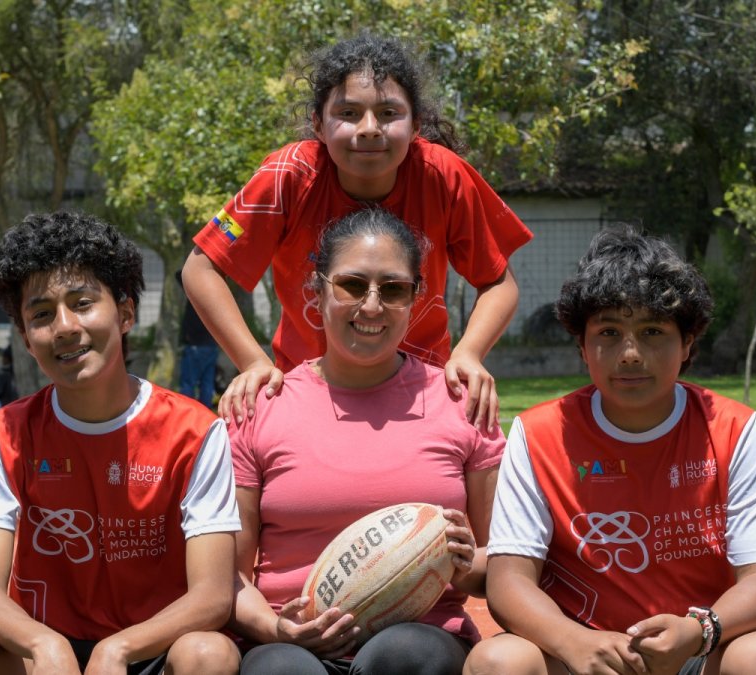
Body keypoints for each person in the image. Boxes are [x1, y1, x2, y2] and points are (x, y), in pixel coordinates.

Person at [463, 226, 756, 675]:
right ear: (582, 346)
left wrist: (699, 630)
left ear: (688, 343)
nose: (629, 353)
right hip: (580, 652)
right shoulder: (539, 434)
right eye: (608, 331)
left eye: (652, 331)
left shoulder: (735, 430)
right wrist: (575, 642)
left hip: (697, 648)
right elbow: (508, 582)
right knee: (497, 662)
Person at [0, 211, 242, 675]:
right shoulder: (5, 433)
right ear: (26, 339)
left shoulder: (195, 432)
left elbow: (212, 596)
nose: (65, 326)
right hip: (48, 654)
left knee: (210, 654)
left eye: (82, 303)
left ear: (126, 313)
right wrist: (44, 645)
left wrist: (118, 649)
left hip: (153, 649)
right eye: (42, 315)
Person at [182, 32, 533, 431]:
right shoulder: (287, 176)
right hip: (306, 395)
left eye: (388, 113)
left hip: (422, 394)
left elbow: (498, 282)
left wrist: (469, 353)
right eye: (348, 113)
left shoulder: (444, 175)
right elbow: (201, 268)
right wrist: (252, 362)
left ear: (415, 124)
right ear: (318, 124)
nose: (369, 128)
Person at [229, 208, 504, 675]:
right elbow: (230, 576)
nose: (372, 306)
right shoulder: (261, 408)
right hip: (288, 644)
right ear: (317, 291)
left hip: (423, 638)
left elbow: (504, 563)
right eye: (352, 285)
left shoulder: (463, 403)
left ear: (416, 298)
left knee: (407, 655)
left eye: (393, 289)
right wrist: (276, 629)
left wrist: (462, 564)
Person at [176, 269, 220, 408]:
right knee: (207, 382)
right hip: (211, 345)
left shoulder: (196, 293)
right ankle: (206, 411)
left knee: (188, 382)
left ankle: (186, 410)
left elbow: (179, 274)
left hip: (195, 344)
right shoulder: (215, 294)